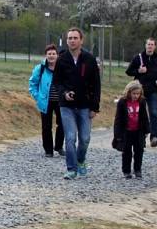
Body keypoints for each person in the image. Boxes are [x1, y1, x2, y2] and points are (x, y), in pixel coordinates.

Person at [51, 28, 101, 180]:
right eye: (69, 38)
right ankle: (71, 169)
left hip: (85, 105)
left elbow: (96, 84)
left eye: (75, 38)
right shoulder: (62, 59)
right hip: (67, 106)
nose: (72, 40)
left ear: (81, 40)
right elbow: (57, 82)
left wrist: (95, 107)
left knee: (85, 138)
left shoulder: (89, 59)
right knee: (71, 137)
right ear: (66, 41)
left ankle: (80, 160)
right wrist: (64, 93)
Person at [125, 38, 157, 147]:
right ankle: (139, 137)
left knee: (153, 113)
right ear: (145, 45)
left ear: (155, 46)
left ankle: (154, 137)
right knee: (138, 114)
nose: (150, 46)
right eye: (148, 44)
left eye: (152, 44)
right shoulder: (138, 58)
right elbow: (128, 71)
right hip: (139, 91)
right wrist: (138, 71)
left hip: (152, 91)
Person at [28, 44, 64, 157]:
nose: (51, 56)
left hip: (61, 101)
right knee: (46, 126)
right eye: (49, 54)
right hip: (45, 101)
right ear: (46, 55)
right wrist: (37, 97)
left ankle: (58, 146)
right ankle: (48, 150)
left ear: (57, 55)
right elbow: (33, 83)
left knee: (63, 124)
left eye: (53, 54)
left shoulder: (62, 67)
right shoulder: (41, 68)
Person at [112, 80, 150, 179]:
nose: (136, 96)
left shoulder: (142, 102)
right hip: (126, 131)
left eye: (138, 94)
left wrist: (146, 130)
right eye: (134, 93)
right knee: (126, 152)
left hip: (138, 131)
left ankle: (137, 169)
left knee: (139, 151)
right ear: (129, 92)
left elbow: (145, 117)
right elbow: (118, 119)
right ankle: (126, 171)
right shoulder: (122, 102)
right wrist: (117, 134)